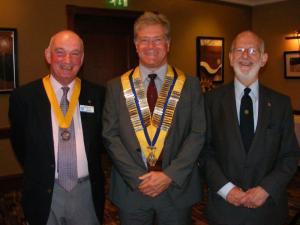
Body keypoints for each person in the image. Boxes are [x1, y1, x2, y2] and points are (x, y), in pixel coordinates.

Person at [102, 11, 206, 225]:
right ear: (136, 44)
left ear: (168, 43)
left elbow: (198, 133)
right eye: (144, 40)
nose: (151, 46)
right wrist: (138, 178)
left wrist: (169, 175)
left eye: (157, 39)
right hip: (132, 189)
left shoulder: (190, 85)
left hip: (176, 189)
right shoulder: (116, 86)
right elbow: (110, 136)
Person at [9, 30, 105, 225]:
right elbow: (20, 145)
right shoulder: (24, 97)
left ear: (83, 58)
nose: (68, 60)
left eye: (75, 53)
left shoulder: (98, 95)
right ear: (48, 55)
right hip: (45, 190)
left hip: (85, 192)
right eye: (60, 52)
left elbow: (102, 141)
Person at [204, 30, 299, 225]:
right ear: (230, 58)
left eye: (252, 51)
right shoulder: (210, 101)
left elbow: (290, 156)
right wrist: (226, 189)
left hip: (268, 211)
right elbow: (204, 152)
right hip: (223, 211)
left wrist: (266, 189)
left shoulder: (281, 103)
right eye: (239, 50)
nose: (245, 55)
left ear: (263, 59)